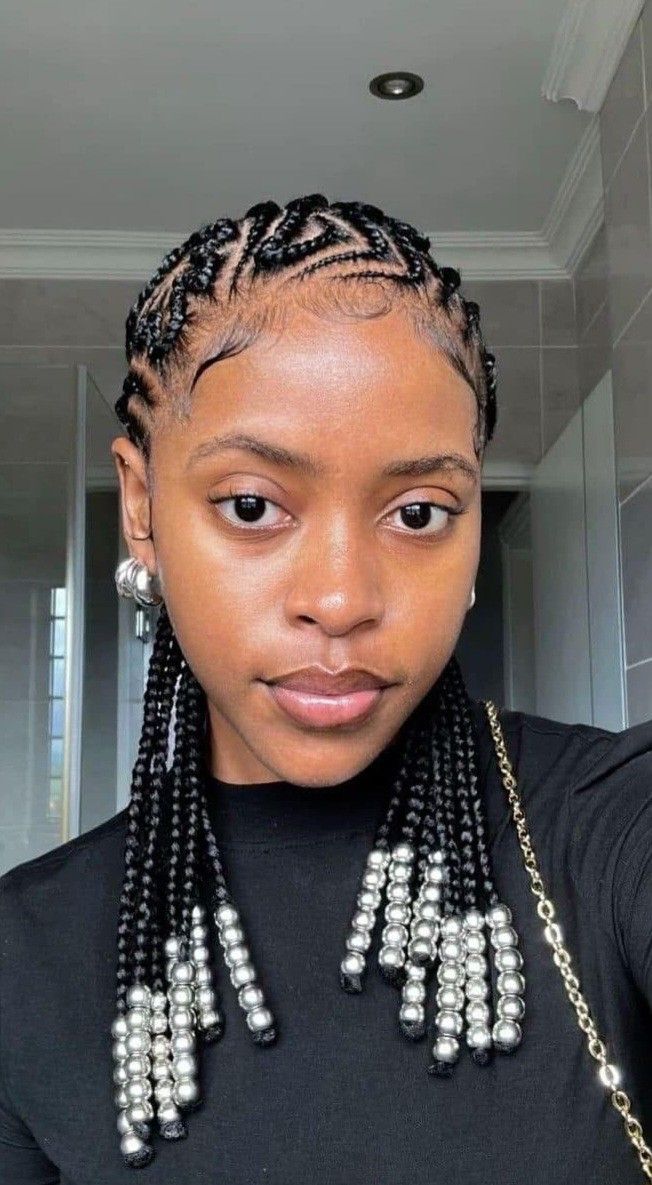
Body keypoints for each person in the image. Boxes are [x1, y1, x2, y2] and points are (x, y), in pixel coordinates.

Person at [1, 194, 651, 1184]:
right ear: (141, 505)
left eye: (419, 512)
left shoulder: (607, 827)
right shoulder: (22, 962)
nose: (342, 600)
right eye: (251, 505)